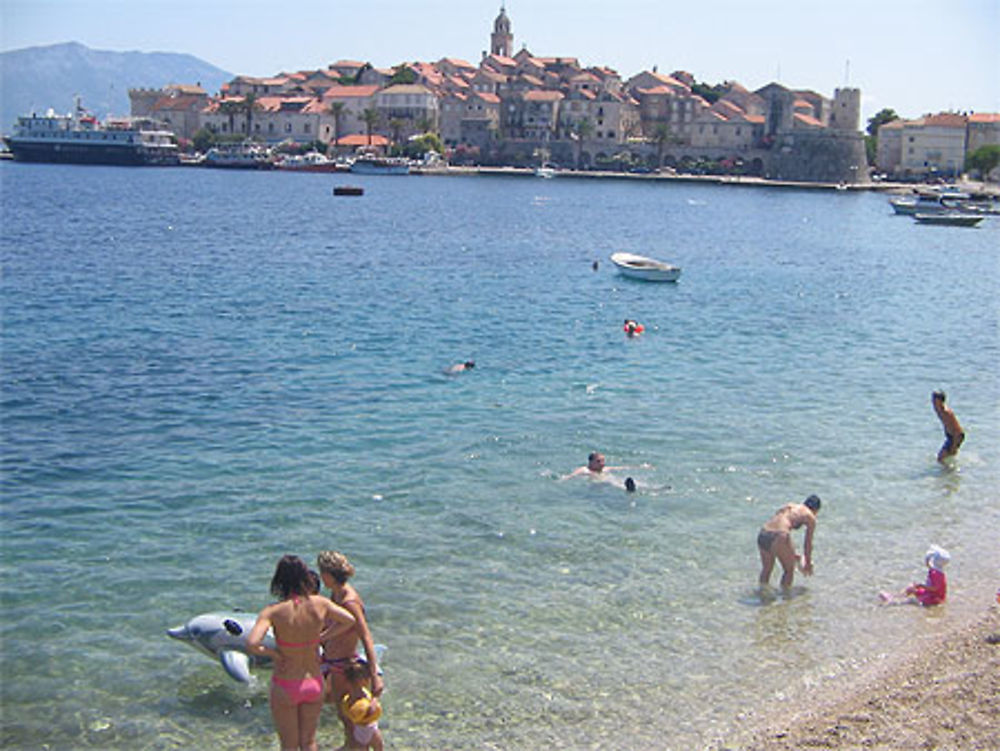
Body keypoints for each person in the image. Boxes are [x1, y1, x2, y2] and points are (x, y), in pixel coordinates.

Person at [247, 555, 356, 751]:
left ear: (279, 581)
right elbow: (349, 620)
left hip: (286, 683)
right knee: (309, 743)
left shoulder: (273, 611)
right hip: (314, 682)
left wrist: (274, 655)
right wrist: (321, 637)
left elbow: (252, 643)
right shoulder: (320, 603)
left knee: (289, 746)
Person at [317, 551, 384, 749]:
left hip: (344, 666)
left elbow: (366, 637)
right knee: (338, 708)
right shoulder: (336, 594)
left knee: (349, 716)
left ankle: (354, 747)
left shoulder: (349, 601)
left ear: (329, 574)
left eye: (322, 573)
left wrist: (374, 674)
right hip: (332, 662)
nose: (321, 577)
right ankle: (352, 746)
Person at [757, 495, 821, 590]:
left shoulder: (790, 506)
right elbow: (808, 544)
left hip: (764, 533)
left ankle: (762, 595)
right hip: (780, 534)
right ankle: (786, 598)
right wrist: (807, 563)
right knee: (789, 570)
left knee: (766, 569)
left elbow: (777, 517)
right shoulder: (810, 516)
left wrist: (792, 554)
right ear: (816, 510)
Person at [339, 658, 384, 751]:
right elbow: (370, 710)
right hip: (367, 729)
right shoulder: (358, 695)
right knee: (378, 746)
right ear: (363, 680)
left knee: (368, 747)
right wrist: (375, 700)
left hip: (361, 729)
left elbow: (347, 711)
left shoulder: (351, 695)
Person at [881, 546, 950, 606]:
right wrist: (927, 560)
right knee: (911, 587)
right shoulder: (937, 570)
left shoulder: (936, 574)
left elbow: (935, 588)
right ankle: (895, 596)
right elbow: (929, 566)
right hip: (931, 593)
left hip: (934, 598)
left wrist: (921, 585)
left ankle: (894, 601)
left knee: (911, 601)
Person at [932, 391, 965, 462]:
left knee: (941, 459)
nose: (933, 403)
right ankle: (950, 471)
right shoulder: (938, 410)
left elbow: (957, 429)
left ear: (941, 401)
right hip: (950, 436)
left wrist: (954, 444)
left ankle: (950, 472)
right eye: (933, 400)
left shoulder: (946, 413)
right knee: (945, 458)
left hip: (956, 436)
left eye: (935, 401)